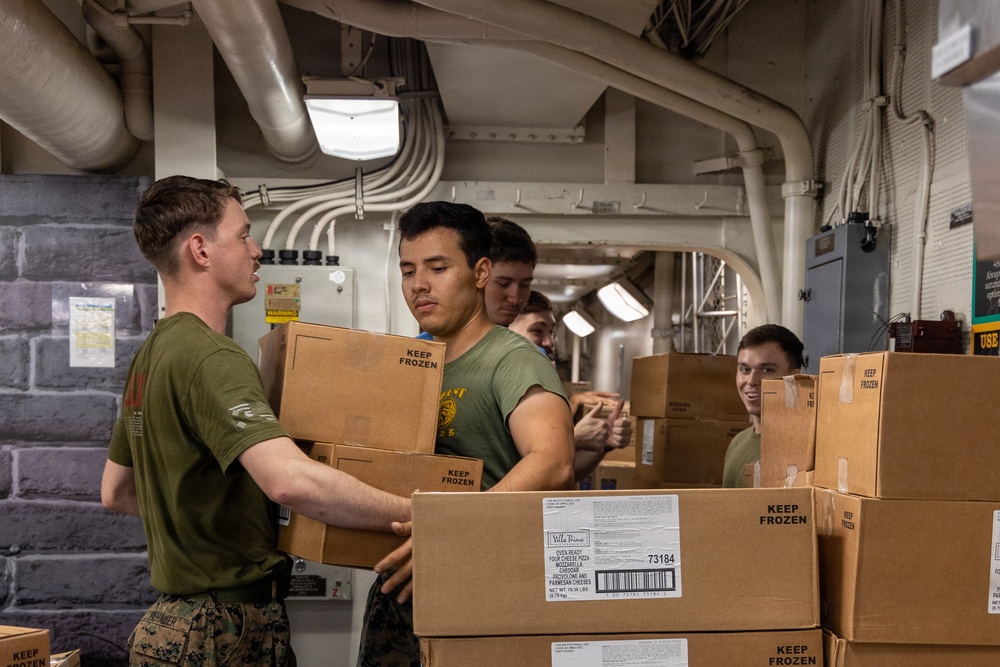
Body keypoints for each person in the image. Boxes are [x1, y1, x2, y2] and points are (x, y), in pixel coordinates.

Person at [100, 175, 411, 667]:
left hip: (173, 627)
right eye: (243, 234)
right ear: (200, 250)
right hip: (221, 631)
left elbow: (115, 491)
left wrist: (203, 531)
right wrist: (419, 515)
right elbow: (289, 482)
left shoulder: (151, 356)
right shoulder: (211, 357)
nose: (257, 250)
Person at [357, 202, 575, 666]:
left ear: (479, 273)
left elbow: (553, 462)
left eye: (438, 268)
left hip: (481, 589)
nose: (419, 284)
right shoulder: (412, 364)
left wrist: (450, 530)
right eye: (409, 270)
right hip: (405, 591)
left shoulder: (511, 359)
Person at [509, 290, 633, 480]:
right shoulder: (495, 385)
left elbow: (566, 471)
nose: (549, 342)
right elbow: (513, 469)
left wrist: (604, 443)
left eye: (551, 332)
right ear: (505, 331)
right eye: (537, 331)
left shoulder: (541, 387)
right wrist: (574, 437)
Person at [721, 324, 804, 488]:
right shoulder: (737, 443)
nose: (751, 381)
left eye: (767, 370)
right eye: (744, 369)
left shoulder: (804, 448)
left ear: (793, 378)